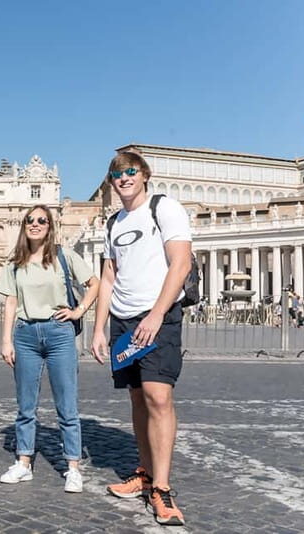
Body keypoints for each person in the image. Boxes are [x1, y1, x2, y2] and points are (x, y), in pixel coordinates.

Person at [90, 152, 191, 526]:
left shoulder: (164, 208)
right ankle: (145, 473)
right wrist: (99, 327)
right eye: (117, 174)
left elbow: (180, 263)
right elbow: (109, 278)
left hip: (158, 317)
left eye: (130, 171)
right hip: (123, 320)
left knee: (158, 395)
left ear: (144, 175)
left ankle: (162, 489)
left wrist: (157, 313)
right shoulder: (113, 222)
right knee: (137, 397)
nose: (124, 178)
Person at [0, 205, 99, 493]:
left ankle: (73, 467)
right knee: (25, 406)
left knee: (67, 405)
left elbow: (94, 284)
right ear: (24, 225)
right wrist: (6, 340)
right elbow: (11, 302)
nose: (36, 224)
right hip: (25, 335)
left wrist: (79, 311)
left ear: (50, 225)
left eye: (42, 220)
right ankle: (24, 462)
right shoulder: (15, 262)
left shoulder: (64, 256)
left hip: (59, 333)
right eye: (30, 220)